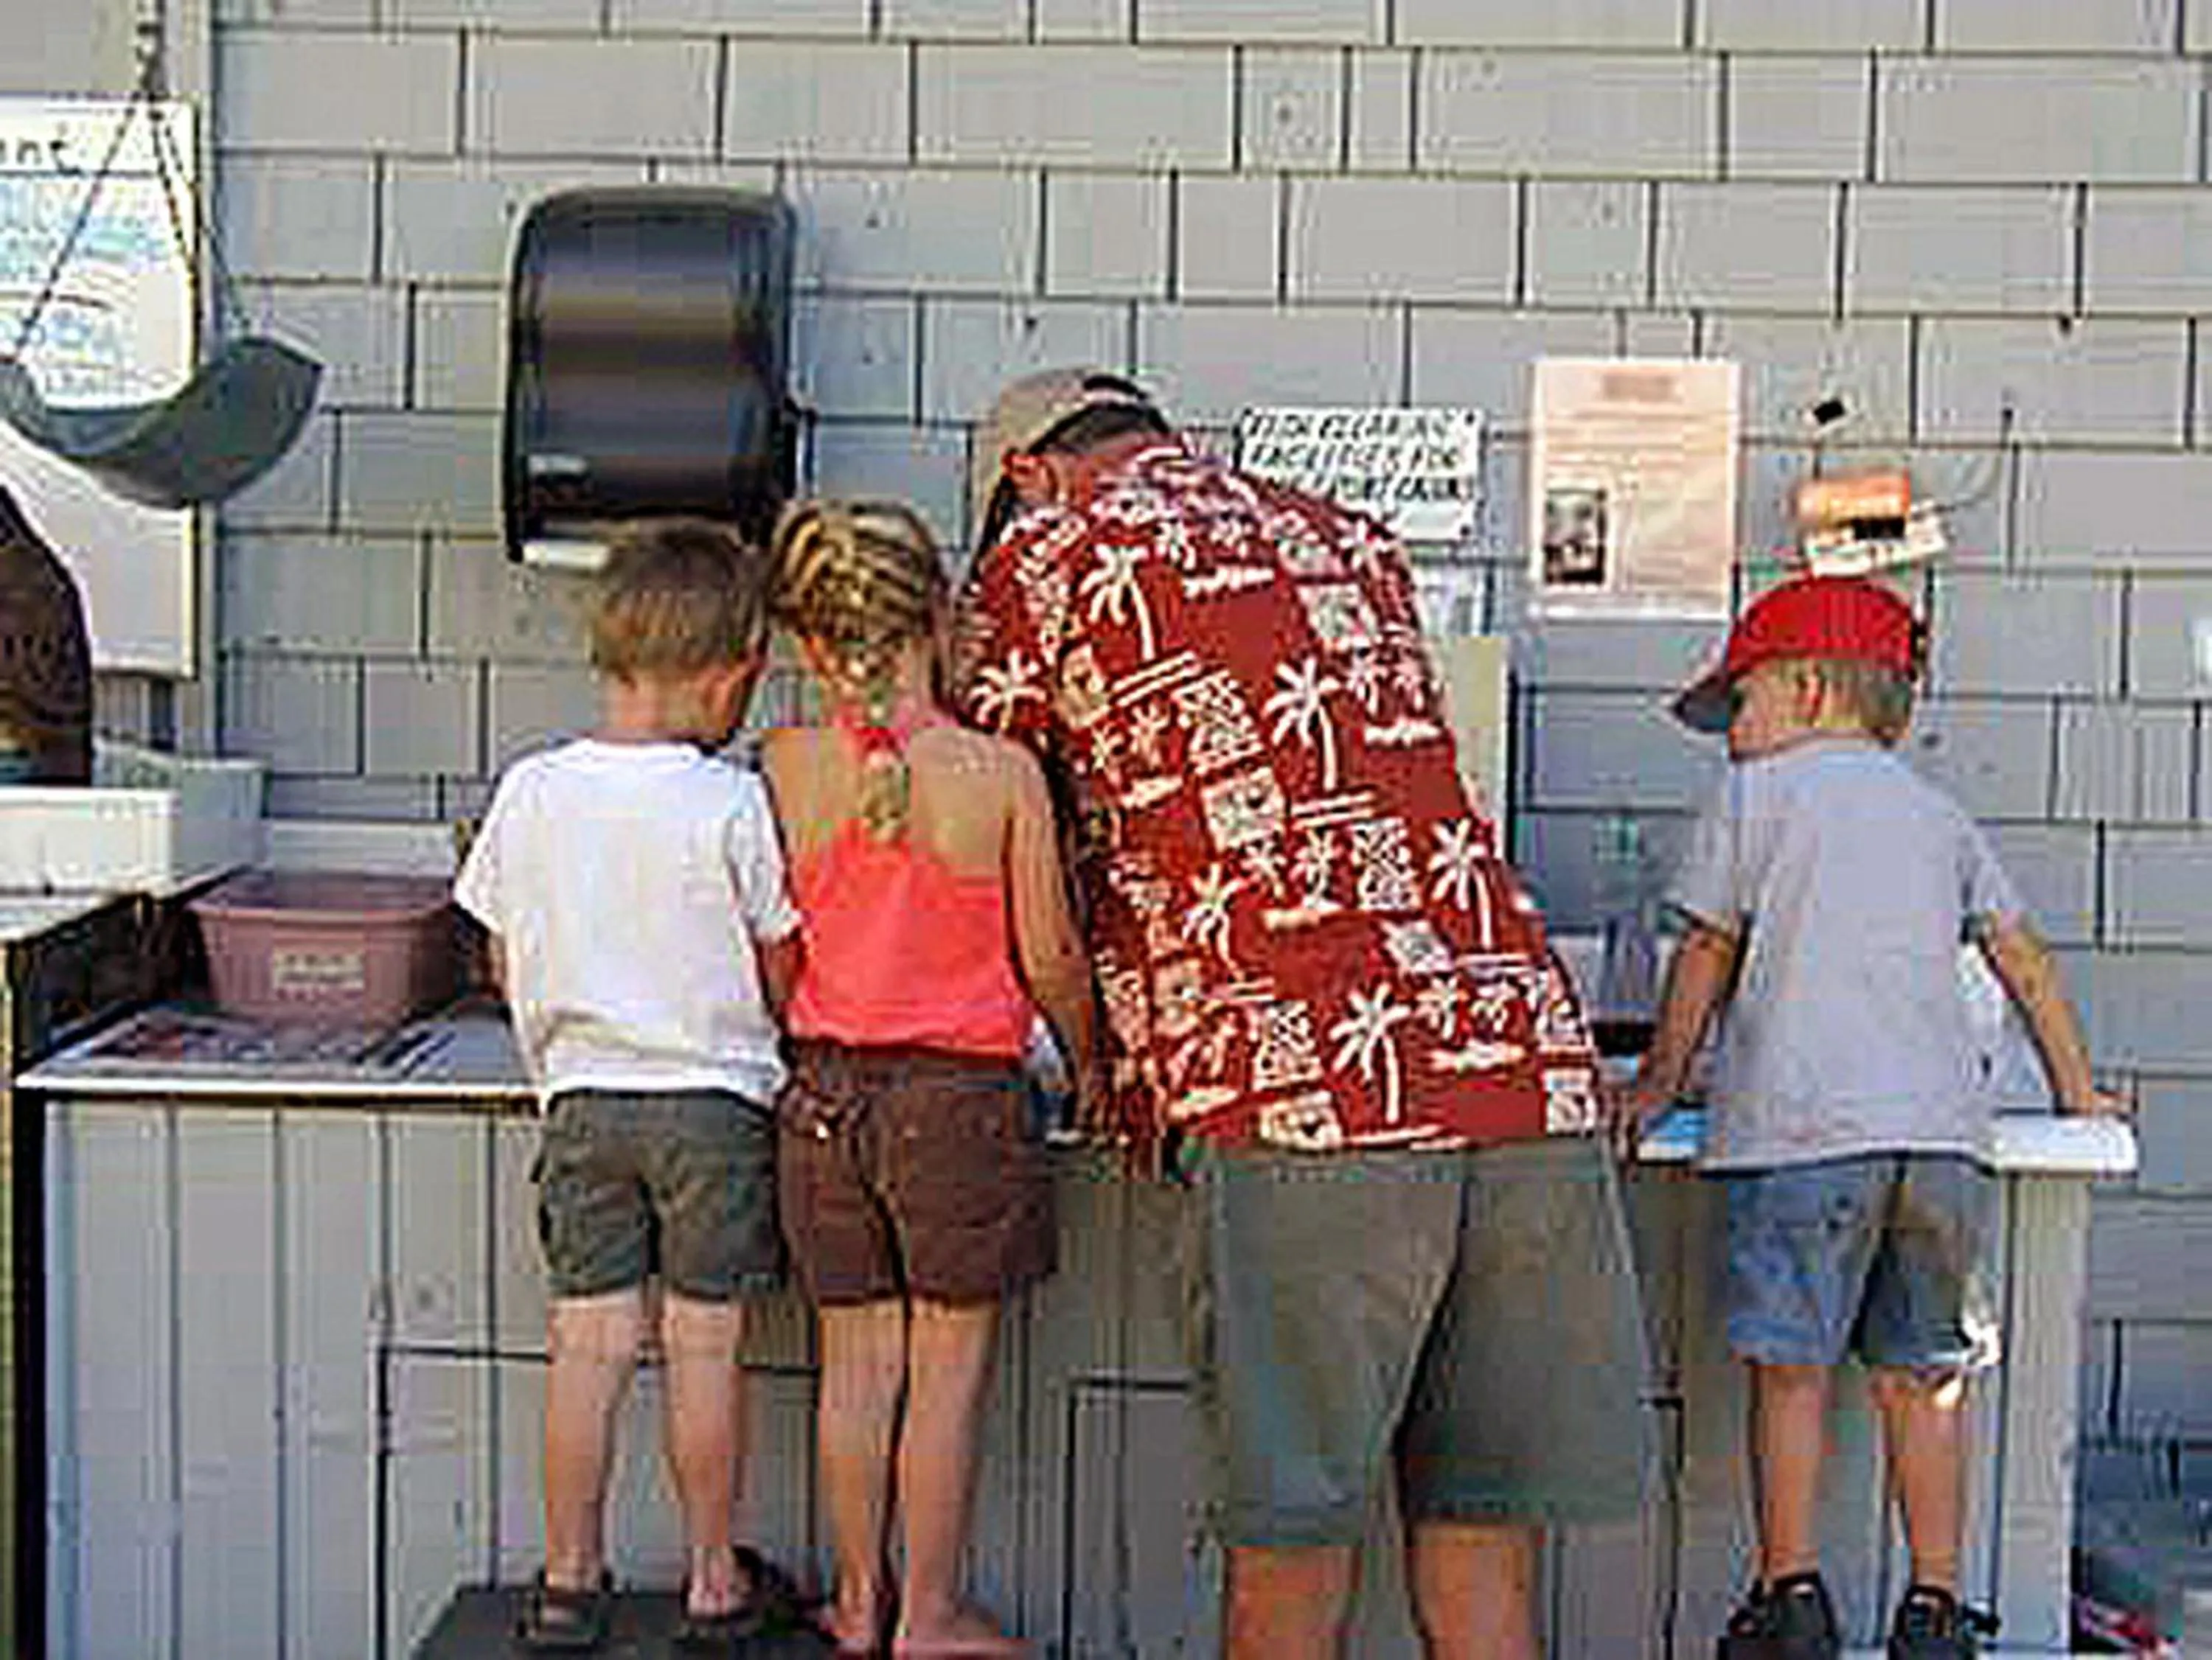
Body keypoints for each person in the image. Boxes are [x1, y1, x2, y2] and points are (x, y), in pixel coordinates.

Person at [956, 369, 1651, 1660]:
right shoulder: (1348, 534)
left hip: (1306, 1081)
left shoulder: (1045, 553)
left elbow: (986, 804)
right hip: (1523, 1070)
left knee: (1294, 1547)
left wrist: (1099, 1047)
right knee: (1482, 1537)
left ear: (1032, 475)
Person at [1618, 573, 2128, 1660]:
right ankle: (1936, 1608)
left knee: (1791, 1372)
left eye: (1740, 706)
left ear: (1806, 691)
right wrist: (2079, 1090)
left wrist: (1659, 1083)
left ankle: (1790, 1598)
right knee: (1924, 1376)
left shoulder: (1755, 802)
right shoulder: (1938, 814)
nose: (1732, 736)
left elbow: (1705, 949)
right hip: (1941, 1142)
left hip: (1800, 1136)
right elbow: (2020, 958)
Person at [453, 519, 804, 1653]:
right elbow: (781, 960)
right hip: (713, 1109)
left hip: (582, 1103)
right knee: (705, 1348)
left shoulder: (533, 790)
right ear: (717, 676)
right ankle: (712, 1579)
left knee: (589, 1349)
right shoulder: (729, 802)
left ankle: (568, 1579)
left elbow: (501, 954)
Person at [761, 500, 1097, 1658]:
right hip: (960, 1110)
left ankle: (857, 1604)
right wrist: (1096, 1064)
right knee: (945, 1380)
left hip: (820, 1101)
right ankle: (933, 1615)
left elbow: (770, 948)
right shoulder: (1001, 774)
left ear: (809, 644)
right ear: (944, 623)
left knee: (854, 1371)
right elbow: (1051, 955)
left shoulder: (783, 767)